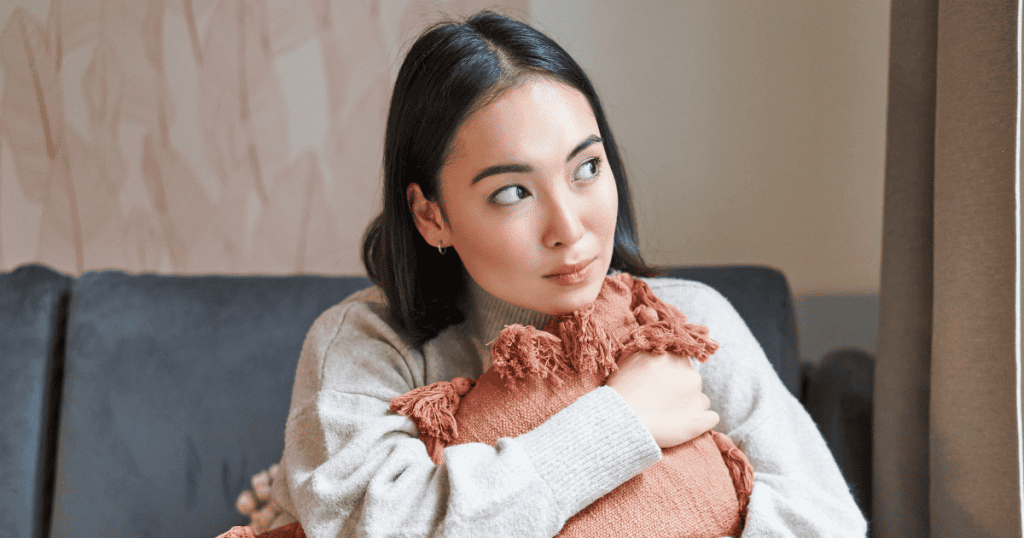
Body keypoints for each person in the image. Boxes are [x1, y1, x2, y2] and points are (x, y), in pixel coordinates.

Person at [265, 10, 867, 537]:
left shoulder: (686, 323)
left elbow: (825, 521)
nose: (570, 228)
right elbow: (377, 528)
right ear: (431, 216)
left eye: (586, 168)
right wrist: (620, 422)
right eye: (513, 192)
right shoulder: (367, 346)